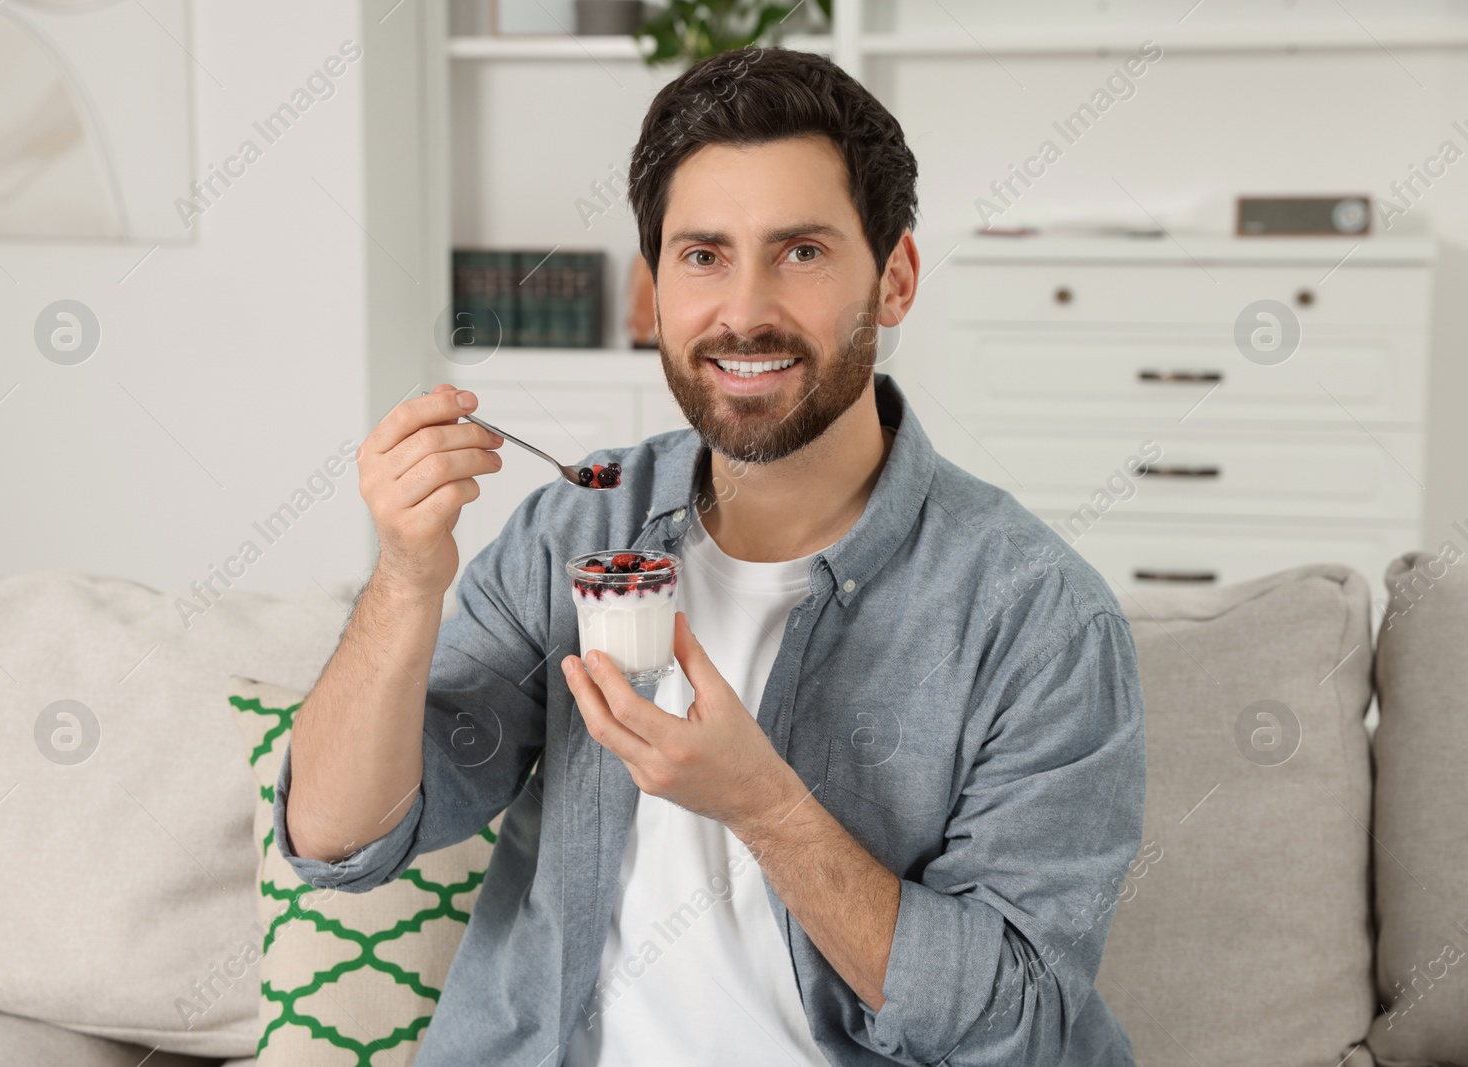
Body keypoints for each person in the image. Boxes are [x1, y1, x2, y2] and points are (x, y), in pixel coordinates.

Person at [275, 45, 1146, 1066]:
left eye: (800, 252)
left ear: (896, 278)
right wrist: (404, 578)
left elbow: (1021, 1026)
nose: (743, 310)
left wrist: (762, 804)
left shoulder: (1036, 617)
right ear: (653, 291)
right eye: (703, 255)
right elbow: (337, 840)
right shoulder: (577, 529)